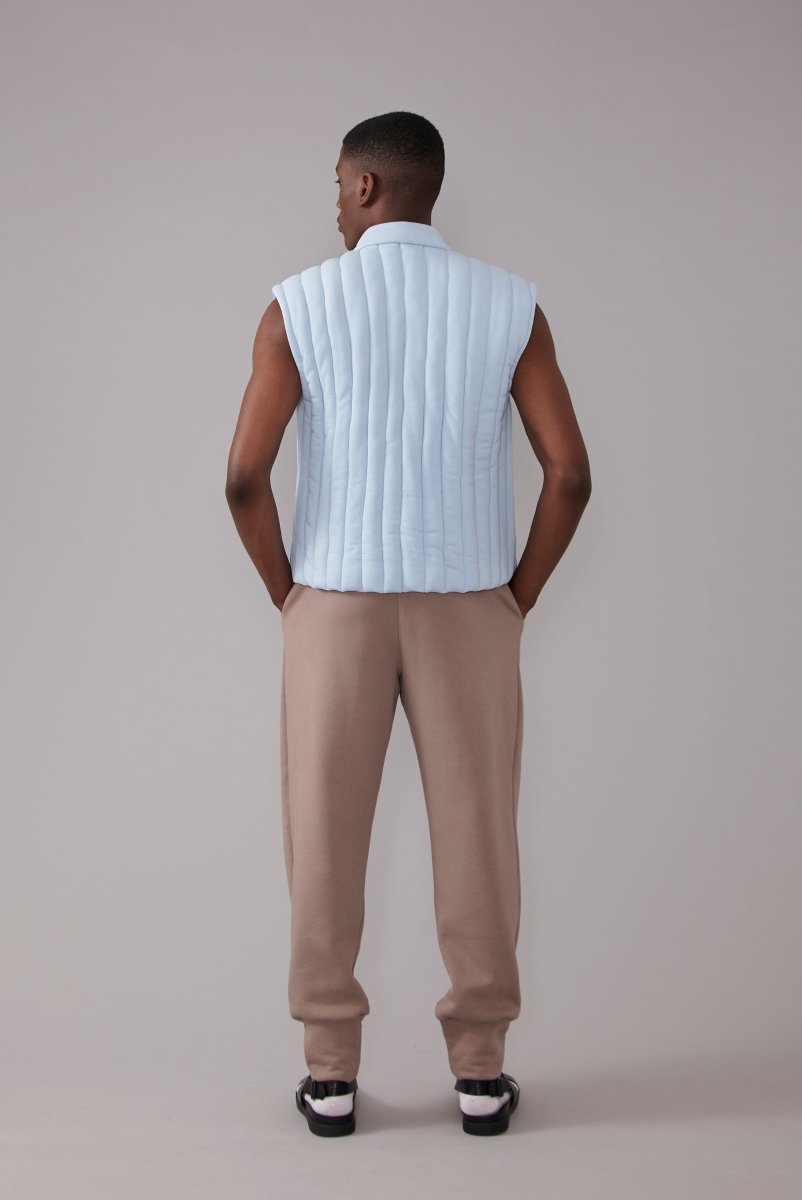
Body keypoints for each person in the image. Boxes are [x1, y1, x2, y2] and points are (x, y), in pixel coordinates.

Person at [225, 110, 592, 1138]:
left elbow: (244, 477)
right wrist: (517, 596)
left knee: (322, 838)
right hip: (469, 602)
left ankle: (329, 1076)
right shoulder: (511, 305)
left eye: (338, 184)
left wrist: (290, 594)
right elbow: (569, 473)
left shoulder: (297, 305)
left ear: (368, 187)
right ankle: (479, 1072)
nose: (334, 204)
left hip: (332, 602)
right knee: (480, 837)